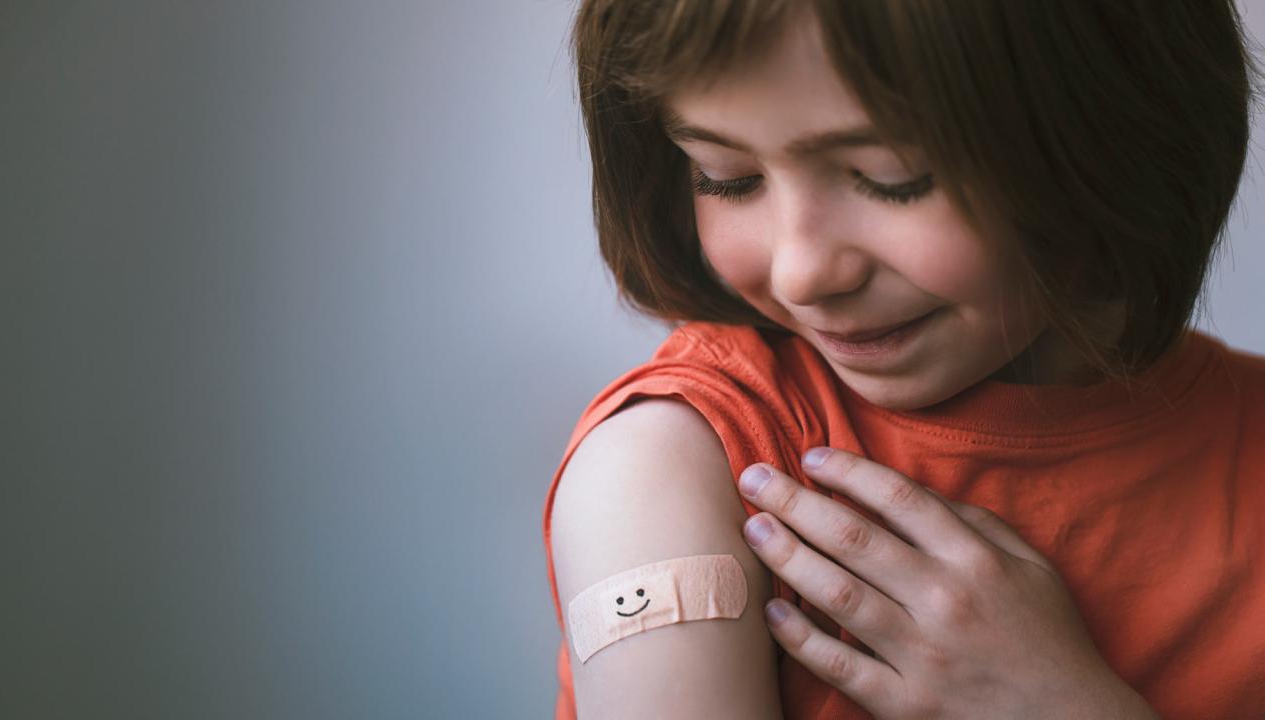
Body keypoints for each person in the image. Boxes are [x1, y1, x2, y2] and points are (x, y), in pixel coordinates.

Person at [542, 1, 1265, 718]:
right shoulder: (671, 463)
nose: (802, 273)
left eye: (891, 179)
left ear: (1115, 133)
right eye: (727, 176)